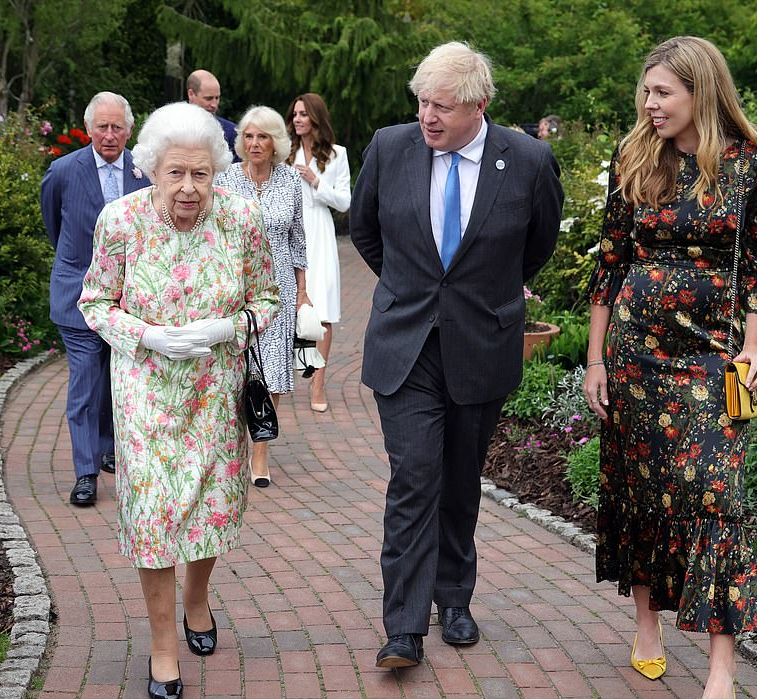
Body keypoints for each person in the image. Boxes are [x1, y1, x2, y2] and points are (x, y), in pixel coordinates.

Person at [350, 41, 564, 668]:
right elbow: (365, 229)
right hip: (406, 345)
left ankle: (456, 598)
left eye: (442, 106)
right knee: (415, 477)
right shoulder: (390, 149)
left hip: (481, 345)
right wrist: (413, 289)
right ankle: (405, 628)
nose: (428, 116)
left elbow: (538, 245)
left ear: (480, 106)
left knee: (461, 481)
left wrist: (484, 297)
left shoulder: (526, 160)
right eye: (421, 102)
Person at [582, 36, 757, 699]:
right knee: (641, 488)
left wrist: (753, 348)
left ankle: (722, 668)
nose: (649, 103)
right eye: (646, 91)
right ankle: (647, 623)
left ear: (701, 90)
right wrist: (595, 360)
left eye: (662, 91)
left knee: (720, 497)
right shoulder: (634, 156)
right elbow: (610, 260)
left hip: (712, 354)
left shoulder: (754, 166)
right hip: (635, 350)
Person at [78, 101, 279, 699]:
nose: (189, 188)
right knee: (154, 515)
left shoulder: (242, 221)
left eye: (202, 174)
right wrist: (148, 335)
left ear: (218, 171)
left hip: (215, 393)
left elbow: (267, 298)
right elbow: (93, 303)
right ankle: (163, 646)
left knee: (211, 506)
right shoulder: (120, 222)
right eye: (176, 173)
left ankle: (197, 595)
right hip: (145, 393)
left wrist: (229, 329)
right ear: (151, 170)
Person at [41, 91, 151, 507]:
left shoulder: (143, 173)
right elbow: (54, 223)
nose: (110, 134)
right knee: (86, 382)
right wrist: (77, 268)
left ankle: (108, 445)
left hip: (127, 299)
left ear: (129, 129)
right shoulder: (64, 171)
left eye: (117, 126)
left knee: (115, 377)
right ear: (89, 129)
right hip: (77, 295)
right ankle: (86, 473)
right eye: (102, 126)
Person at [216, 105, 308, 487]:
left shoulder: (290, 181)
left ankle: (260, 452)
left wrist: (303, 292)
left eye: (263, 137)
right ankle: (232, 444)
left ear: (276, 143)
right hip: (235, 287)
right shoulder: (224, 179)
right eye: (249, 136)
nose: (255, 143)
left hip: (280, 288)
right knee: (235, 368)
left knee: (271, 371)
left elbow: (298, 239)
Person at [285, 93, 351, 412]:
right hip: (289, 232)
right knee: (290, 308)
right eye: (295, 114)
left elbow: (344, 202)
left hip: (321, 232)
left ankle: (317, 385)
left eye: (303, 114)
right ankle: (288, 374)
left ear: (316, 118)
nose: (297, 119)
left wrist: (315, 182)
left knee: (321, 311)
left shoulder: (337, 155)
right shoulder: (284, 153)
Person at [187, 69, 239, 161]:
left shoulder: (232, 134)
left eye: (217, 98)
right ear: (191, 94)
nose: (214, 105)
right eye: (208, 98)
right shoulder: (169, 127)